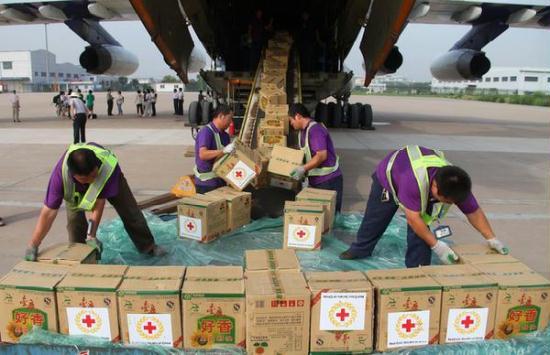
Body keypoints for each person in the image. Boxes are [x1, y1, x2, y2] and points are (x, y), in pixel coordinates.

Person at [339, 145, 509, 267]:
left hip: (416, 177)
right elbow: (413, 219)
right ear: (434, 187)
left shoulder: (456, 184)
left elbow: (474, 212)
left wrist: (491, 238)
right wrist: (438, 247)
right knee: (375, 219)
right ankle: (360, 249)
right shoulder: (413, 182)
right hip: (390, 177)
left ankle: (418, 268)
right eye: (446, 201)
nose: (447, 204)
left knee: (422, 229)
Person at [24, 143, 167, 261]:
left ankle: (148, 246)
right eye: (86, 180)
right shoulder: (60, 178)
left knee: (129, 211)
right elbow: (48, 213)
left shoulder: (106, 168)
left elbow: (99, 203)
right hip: (74, 190)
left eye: (93, 175)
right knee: (74, 222)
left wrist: (91, 235)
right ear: (74, 175)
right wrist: (33, 244)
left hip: (111, 180)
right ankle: (78, 256)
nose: (91, 181)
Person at [288, 103, 343, 212]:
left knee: (328, 217)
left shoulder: (315, 130)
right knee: (318, 217)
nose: (291, 123)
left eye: (291, 120)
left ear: (298, 116)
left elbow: (321, 156)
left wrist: (303, 169)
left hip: (328, 181)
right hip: (317, 181)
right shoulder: (302, 132)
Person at [193, 104, 235, 194]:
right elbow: (203, 154)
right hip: (206, 184)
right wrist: (223, 151)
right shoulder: (206, 132)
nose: (231, 122)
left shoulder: (225, 135)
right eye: (229, 118)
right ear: (221, 116)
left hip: (221, 182)